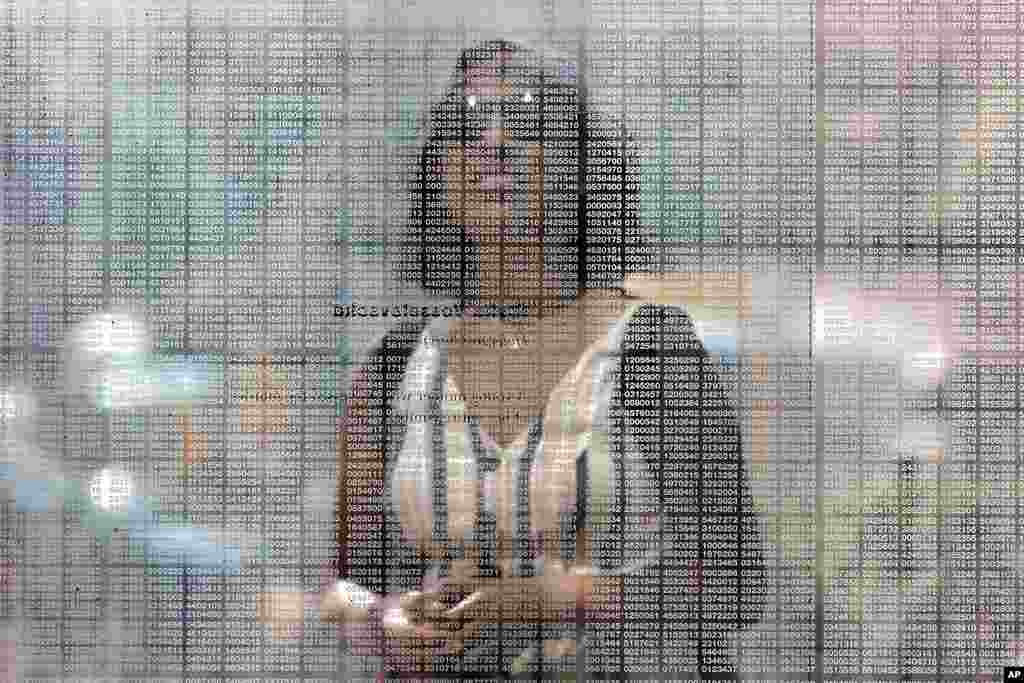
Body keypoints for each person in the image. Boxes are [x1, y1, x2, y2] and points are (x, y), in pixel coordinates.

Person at [324, 38, 768, 680]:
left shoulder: (653, 351)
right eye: (466, 127)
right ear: (437, 177)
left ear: (578, 167)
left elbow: (731, 583)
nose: (493, 143)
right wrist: (385, 617)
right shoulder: (396, 365)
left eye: (526, 123)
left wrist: (541, 599)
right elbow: (344, 583)